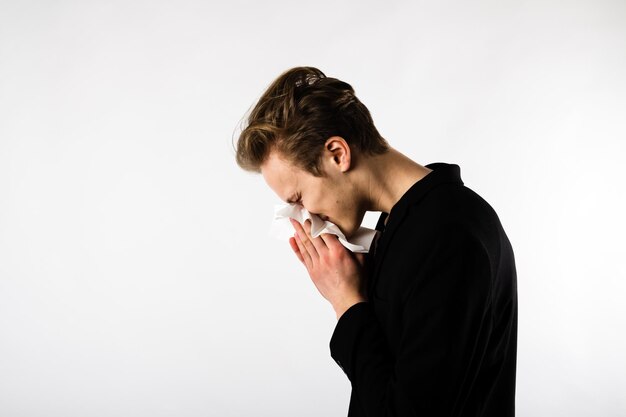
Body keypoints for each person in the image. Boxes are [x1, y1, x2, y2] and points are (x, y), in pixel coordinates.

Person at [235, 66, 518, 416]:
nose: (305, 217)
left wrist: (346, 302)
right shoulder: (402, 226)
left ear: (337, 154)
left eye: (298, 198)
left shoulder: (449, 235)